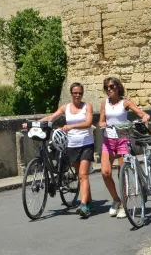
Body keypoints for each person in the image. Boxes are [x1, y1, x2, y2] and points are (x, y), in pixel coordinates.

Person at [38, 82, 95, 218]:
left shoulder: (87, 107)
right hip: (71, 145)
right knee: (79, 175)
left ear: (82, 93)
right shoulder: (66, 107)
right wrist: (34, 123)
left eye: (80, 93)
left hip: (86, 144)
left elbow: (88, 123)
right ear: (71, 93)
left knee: (83, 175)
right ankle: (90, 201)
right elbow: (51, 117)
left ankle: (83, 206)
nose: (77, 95)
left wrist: (72, 126)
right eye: (75, 93)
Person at [98, 77, 151, 219]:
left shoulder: (125, 102)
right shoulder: (105, 103)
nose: (109, 89)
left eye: (112, 86)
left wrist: (145, 116)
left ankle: (124, 205)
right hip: (108, 139)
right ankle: (116, 200)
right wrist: (103, 124)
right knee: (105, 172)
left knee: (123, 172)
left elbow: (140, 113)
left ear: (118, 87)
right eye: (107, 87)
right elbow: (101, 120)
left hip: (122, 138)